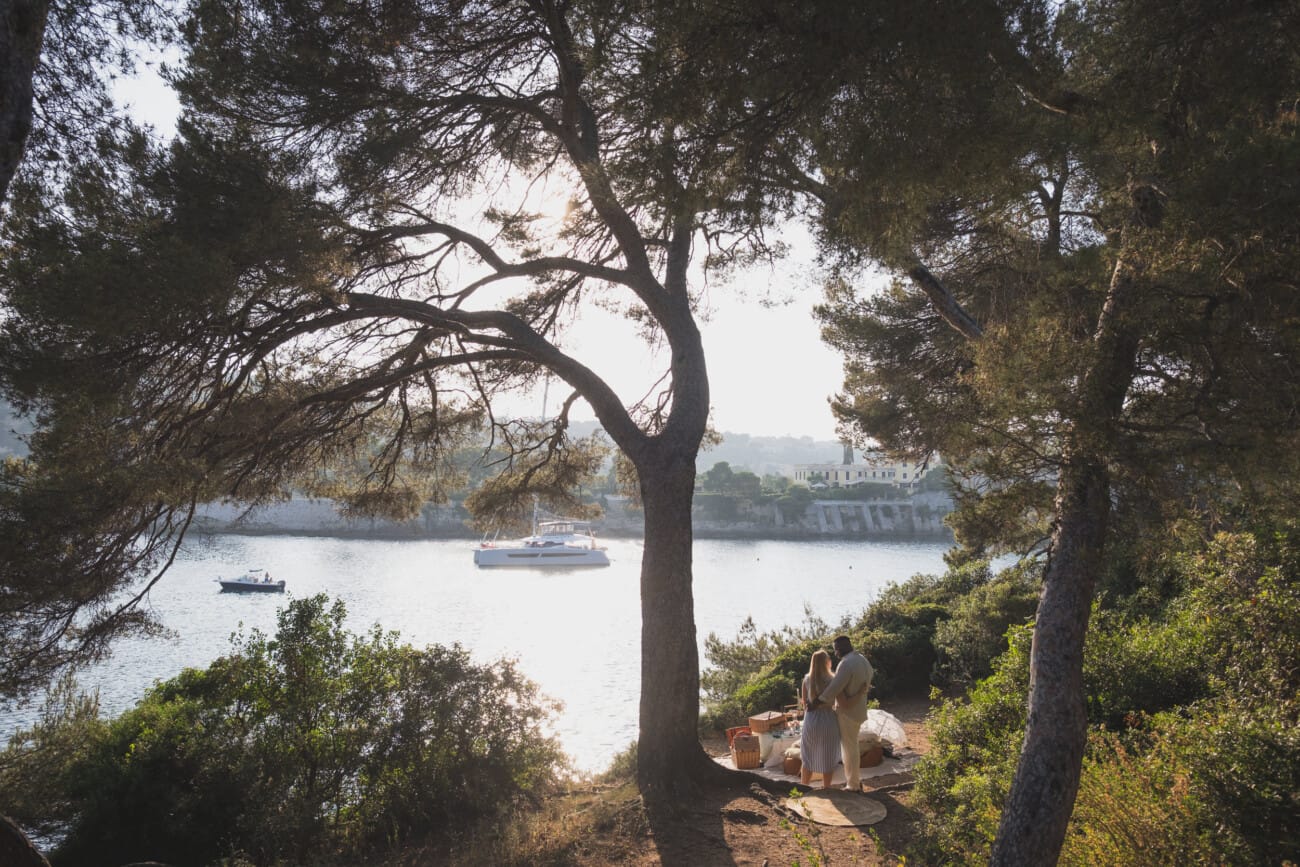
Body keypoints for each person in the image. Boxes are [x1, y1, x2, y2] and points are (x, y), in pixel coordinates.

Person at [809, 635, 874, 792]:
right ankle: (855, 781)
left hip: (848, 712)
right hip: (859, 709)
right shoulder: (863, 660)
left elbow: (834, 687)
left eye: (835, 649)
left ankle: (852, 785)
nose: (835, 653)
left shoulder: (846, 664)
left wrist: (816, 702)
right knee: (853, 747)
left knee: (849, 749)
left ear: (840, 649)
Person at [798, 650, 840, 790]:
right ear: (826, 662)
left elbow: (804, 703)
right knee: (828, 755)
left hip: (811, 720)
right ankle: (826, 788)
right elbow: (836, 701)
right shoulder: (833, 679)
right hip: (828, 719)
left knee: (808, 756)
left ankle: (804, 787)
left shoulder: (807, 679)